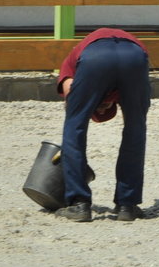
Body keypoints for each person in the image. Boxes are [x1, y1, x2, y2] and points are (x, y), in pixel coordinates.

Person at [55, 28, 151, 222]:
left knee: (74, 126)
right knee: (136, 127)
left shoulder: (72, 64)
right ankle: (127, 205)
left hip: (96, 56)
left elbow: (70, 91)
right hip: (134, 55)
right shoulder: (114, 90)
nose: (100, 108)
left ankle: (79, 203)